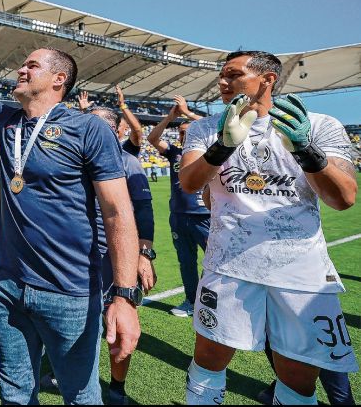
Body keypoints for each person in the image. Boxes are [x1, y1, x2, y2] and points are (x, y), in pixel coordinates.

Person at [0, 4, 140, 404]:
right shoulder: (6, 119)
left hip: (68, 290)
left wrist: (123, 296)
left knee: (80, 396)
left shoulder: (87, 129)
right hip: (8, 285)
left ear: (58, 79)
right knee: (15, 395)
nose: (21, 69)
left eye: (31, 65)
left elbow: (118, 212)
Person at [180, 51, 358, 405]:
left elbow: (343, 198)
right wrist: (223, 145)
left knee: (298, 379)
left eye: (233, 74)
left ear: (268, 79)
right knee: (208, 360)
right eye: (221, 75)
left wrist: (306, 149)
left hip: (299, 273)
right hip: (227, 267)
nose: (222, 81)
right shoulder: (205, 128)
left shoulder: (319, 125)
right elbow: (189, 182)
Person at [41, 105, 157, 404]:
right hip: (74, 259)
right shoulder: (72, 158)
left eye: (96, 126)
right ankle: (65, 373)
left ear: (116, 131)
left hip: (113, 258)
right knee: (73, 320)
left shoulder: (128, 162)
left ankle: (116, 389)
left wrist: (144, 254)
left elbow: (144, 211)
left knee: (117, 322)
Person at [147, 96, 210, 317]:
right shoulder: (174, 152)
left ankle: (213, 300)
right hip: (179, 216)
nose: (183, 136)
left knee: (215, 261)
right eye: (181, 132)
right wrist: (169, 118)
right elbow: (152, 138)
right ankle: (191, 301)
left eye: (188, 132)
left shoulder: (208, 151)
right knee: (186, 261)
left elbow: (219, 126)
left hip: (205, 215)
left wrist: (189, 114)